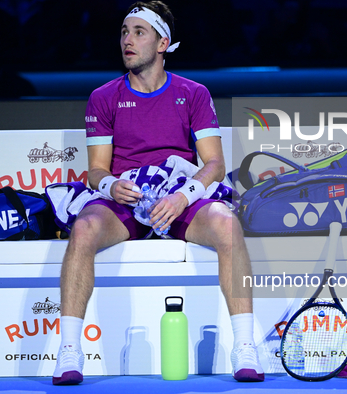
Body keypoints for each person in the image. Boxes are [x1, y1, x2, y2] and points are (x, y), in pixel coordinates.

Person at [52, 1, 264, 385]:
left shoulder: (193, 93)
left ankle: (245, 346)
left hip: (177, 197)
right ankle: (69, 351)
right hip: (126, 201)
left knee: (227, 225)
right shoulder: (103, 97)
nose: (126, 41)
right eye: (123, 32)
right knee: (82, 229)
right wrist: (111, 186)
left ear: (162, 42)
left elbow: (214, 163)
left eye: (138, 32)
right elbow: (97, 168)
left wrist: (183, 197)